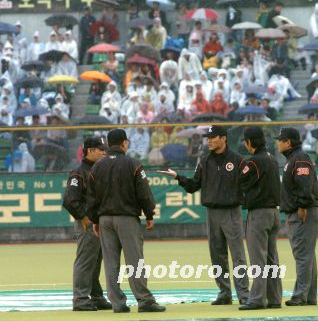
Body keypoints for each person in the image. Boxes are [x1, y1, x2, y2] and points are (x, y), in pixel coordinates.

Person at [159, 125, 249, 305]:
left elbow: (249, 184)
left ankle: (244, 295)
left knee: (237, 254)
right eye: (208, 137)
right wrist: (178, 177)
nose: (208, 140)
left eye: (213, 137)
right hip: (212, 213)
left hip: (232, 212)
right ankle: (224, 293)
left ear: (223, 138)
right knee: (217, 255)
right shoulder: (205, 161)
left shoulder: (238, 160)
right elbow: (193, 186)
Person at [87, 129, 166, 313]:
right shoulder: (133, 164)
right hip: (127, 218)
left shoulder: (97, 166)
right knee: (135, 261)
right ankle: (145, 301)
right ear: (124, 143)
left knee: (111, 263)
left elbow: (91, 197)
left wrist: (95, 220)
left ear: (108, 144)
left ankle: (117, 303)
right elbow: (144, 193)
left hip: (105, 219)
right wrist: (149, 214)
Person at [275, 127, 318, 306]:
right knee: (307, 254)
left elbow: (305, 184)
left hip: (303, 211)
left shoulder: (299, 158)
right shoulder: (294, 159)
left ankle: (300, 296)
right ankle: (309, 295)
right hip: (300, 210)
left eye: (280, 140)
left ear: (289, 142)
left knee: (302, 254)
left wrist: (302, 205)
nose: (278, 142)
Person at [63, 137, 110, 311]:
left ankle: (96, 297)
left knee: (96, 261)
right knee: (85, 261)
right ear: (90, 151)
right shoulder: (79, 172)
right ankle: (81, 299)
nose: (105, 152)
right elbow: (69, 200)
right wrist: (83, 217)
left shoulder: (99, 170)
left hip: (99, 222)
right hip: (88, 223)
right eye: (101, 149)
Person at [238, 126, 282, 310]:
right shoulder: (272, 159)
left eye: (246, 142)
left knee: (258, 258)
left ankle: (256, 299)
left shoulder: (254, 162)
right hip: (274, 213)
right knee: (272, 258)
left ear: (250, 142)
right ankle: (274, 298)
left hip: (259, 214)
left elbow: (241, 182)